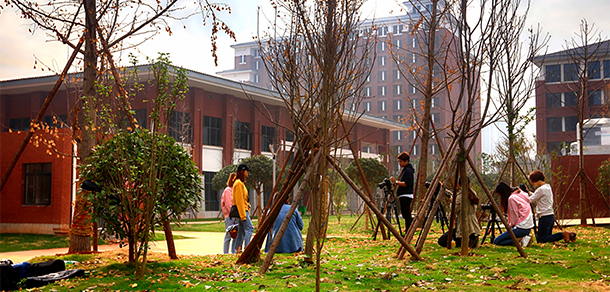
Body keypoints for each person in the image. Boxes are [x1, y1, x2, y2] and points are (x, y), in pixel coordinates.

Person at [529, 170, 576, 243]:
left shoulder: (540, 189)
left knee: (541, 240)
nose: (532, 183)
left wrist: (521, 195)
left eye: (532, 181)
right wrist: (528, 193)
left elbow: (530, 200)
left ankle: (563, 234)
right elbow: (536, 196)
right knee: (547, 238)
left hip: (544, 216)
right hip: (550, 216)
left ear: (536, 180)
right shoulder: (547, 187)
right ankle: (569, 235)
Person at [438, 177, 481, 248]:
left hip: (463, 227)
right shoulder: (473, 193)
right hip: (474, 228)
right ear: (469, 183)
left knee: (442, 240)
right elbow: (457, 197)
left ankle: (462, 244)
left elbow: (454, 210)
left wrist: (452, 202)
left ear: (458, 184)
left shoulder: (461, 196)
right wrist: (444, 189)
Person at [232, 163, 254, 254]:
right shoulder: (238, 184)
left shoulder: (240, 183)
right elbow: (239, 200)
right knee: (250, 228)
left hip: (244, 210)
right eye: (247, 171)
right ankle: (247, 248)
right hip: (242, 211)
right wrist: (243, 215)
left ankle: (238, 249)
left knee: (241, 231)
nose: (248, 173)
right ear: (243, 171)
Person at [390, 152, 414, 234]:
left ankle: (409, 231)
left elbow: (407, 183)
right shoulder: (406, 170)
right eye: (399, 162)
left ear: (406, 161)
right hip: (404, 194)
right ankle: (408, 229)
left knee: (406, 214)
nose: (400, 163)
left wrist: (396, 181)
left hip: (406, 195)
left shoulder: (408, 170)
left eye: (401, 162)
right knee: (405, 214)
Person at [221, 173, 237, 254]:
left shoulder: (236, 190)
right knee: (228, 235)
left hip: (236, 216)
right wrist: (234, 213)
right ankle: (225, 252)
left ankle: (233, 252)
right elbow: (228, 204)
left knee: (235, 235)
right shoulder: (228, 190)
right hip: (230, 216)